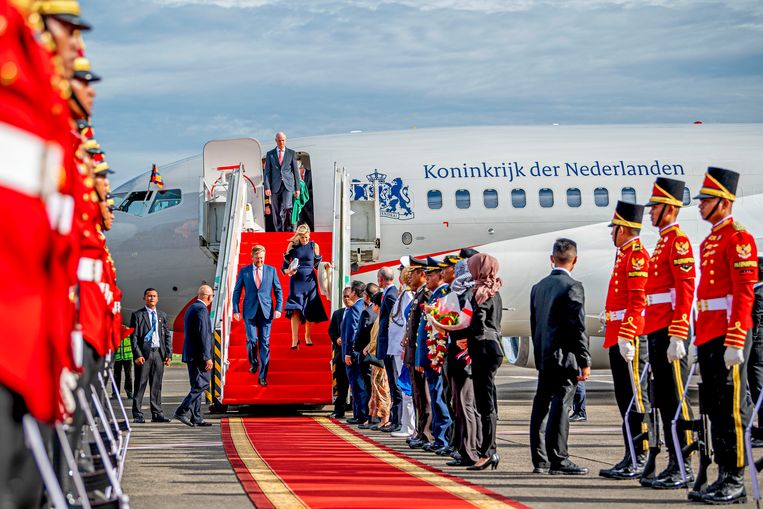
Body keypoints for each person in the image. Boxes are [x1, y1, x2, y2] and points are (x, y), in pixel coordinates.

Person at [691, 167, 757, 504]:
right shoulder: (711, 240)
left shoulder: (738, 238)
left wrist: (735, 338)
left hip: (728, 335)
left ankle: (735, 479)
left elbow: (744, 293)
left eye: (706, 200)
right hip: (710, 334)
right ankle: (721, 474)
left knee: (733, 409)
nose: (700, 205)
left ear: (724, 202)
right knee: (715, 407)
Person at [641, 177, 696, 489]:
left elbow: (684, 291)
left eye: (655, 208)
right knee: (663, 398)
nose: (650, 213)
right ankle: (673, 461)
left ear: (670, 209)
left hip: (669, 330)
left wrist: (678, 333)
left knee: (677, 399)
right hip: (656, 328)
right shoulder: (662, 242)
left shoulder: (678, 242)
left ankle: (683, 462)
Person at [599, 201, 653, 480]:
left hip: (629, 336)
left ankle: (640, 455)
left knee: (636, 398)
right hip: (618, 334)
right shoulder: (623, 255)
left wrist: (627, 334)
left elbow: (638, 301)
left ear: (623, 229)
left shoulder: (637, 256)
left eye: (614, 229)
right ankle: (631, 453)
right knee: (625, 398)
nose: (611, 234)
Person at [529, 238, 591, 475]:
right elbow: (578, 327)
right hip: (565, 358)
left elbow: (535, 325)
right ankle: (559, 459)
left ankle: (540, 460)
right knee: (561, 407)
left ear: (551, 258)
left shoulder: (539, 287)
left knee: (541, 406)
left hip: (545, 357)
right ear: (574, 260)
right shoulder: (573, 287)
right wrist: (584, 360)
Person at [465, 253, 504, 471]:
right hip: (492, 347)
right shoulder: (494, 289)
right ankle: (488, 449)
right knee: (487, 401)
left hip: (483, 349)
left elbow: (478, 322)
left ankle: (488, 452)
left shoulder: (482, 292)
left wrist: (464, 334)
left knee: (485, 402)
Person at [443, 255, 481, 467]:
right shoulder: (458, 293)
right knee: (459, 406)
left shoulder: (473, 294)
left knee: (466, 407)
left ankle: (470, 451)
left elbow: (477, 324)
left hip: (465, 358)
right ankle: (462, 449)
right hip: (456, 355)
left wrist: (467, 340)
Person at [416, 257, 453, 454]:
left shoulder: (444, 294)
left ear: (440, 275)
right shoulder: (434, 295)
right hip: (431, 355)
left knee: (439, 397)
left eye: (430, 275)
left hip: (437, 355)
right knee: (436, 396)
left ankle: (443, 437)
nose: (427, 278)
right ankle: (439, 437)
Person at [232, 244, 283, 386]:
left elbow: (278, 290)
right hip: (250, 311)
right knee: (252, 340)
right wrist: (236, 309)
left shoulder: (271, 271)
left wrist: (278, 308)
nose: (260, 260)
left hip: (266, 312)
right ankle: (253, 361)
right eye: (257, 258)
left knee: (265, 343)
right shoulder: (245, 271)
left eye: (262, 258)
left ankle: (262, 375)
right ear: (252, 257)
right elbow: (237, 291)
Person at [175, 285, 215, 427]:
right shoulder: (202, 310)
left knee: (196, 385)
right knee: (202, 383)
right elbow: (203, 334)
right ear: (208, 297)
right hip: (199, 355)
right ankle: (182, 410)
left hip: (191, 354)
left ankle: (196, 417)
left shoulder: (192, 308)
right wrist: (207, 357)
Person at [282, 224, 328, 348]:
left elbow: (317, 265)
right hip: (296, 282)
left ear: (309, 235)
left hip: (310, 281)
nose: (305, 240)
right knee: (295, 310)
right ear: (298, 236)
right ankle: (294, 339)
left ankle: (307, 335)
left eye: (307, 237)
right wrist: (289, 271)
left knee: (310, 309)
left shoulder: (314, 246)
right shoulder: (292, 246)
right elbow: (284, 269)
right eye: (302, 238)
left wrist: (325, 266)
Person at [130, 288, 173, 423]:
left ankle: (157, 413)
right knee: (140, 384)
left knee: (156, 385)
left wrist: (168, 354)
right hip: (144, 355)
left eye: (154, 296)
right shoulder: (137, 315)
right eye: (149, 296)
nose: (152, 298)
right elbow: (134, 337)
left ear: (157, 298)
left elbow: (166, 335)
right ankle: (138, 414)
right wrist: (137, 354)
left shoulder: (161, 315)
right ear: (144, 298)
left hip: (158, 354)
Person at [404, 257, 434, 449]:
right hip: (413, 352)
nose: (410, 276)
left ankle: (428, 434)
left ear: (422, 274)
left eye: (413, 273)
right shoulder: (418, 295)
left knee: (424, 395)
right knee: (417, 395)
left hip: (419, 353)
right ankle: (422, 431)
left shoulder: (426, 295)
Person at [389, 267, 416, 438]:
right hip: (398, 347)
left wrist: (405, 345)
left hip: (401, 348)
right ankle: (406, 424)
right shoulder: (403, 295)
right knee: (403, 386)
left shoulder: (407, 296)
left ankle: (409, 426)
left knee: (406, 388)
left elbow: (407, 323)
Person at [376, 267, 401, 432]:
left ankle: (397, 420)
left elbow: (395, 318)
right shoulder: (388, 293)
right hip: (387, 343)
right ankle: (395, 419)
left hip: (390, 343)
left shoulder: (391, 294)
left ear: (380, 279)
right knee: (392, 382)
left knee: (395, 382)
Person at [264, 131, 301, 232]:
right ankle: (278, 230)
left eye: (283, 140)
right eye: (279, 140)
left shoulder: (291, 153)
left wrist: (297, 188)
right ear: (276, 141)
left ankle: (288, 230)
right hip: (275, 186)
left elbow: (296, 172)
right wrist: (267, 187)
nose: (281, 142)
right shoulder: (270, 154)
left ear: (285, 140)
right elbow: (267, 172)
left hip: (288, 186)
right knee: (276, 210)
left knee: (287, 207)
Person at [342, 281, 368, 424]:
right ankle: (358, 414)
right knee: (355, 384)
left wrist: (348, 352)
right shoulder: (357, 307)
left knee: (357, 384)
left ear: (354, 292)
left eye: (350, 291)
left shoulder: (356, 308)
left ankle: (361, 415)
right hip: (353, 352)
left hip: (352, 353)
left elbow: (353, 332)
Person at [365, 291, 391, 429]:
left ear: (376, 305)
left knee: (382, 388)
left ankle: (385, 418)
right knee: (377, 388)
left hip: (379, 358)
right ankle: (380, 418)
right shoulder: (378, 318)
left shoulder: (381, 319)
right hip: (374, 356)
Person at [355, 284, 380, 428]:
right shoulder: (376, 311)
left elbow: (361, 334)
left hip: (366, 354)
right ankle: (372, 417)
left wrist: (356, 348)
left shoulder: (367, 312)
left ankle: (372, 417)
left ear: (366, 296)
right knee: (373, 386)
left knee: (369, 387)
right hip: (373, 353)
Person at [328, 287, 352, 418]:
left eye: (349, 296)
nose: (347, 299)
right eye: (345, 297)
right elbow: (331, 330)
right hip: (340, 353)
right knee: (341, 384)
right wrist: (336, 338)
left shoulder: (357, 312)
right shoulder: (338, 313)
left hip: (352, 354)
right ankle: (339, 410)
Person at [750, 257, 763, 447]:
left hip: (757, 347)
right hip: (757, 346)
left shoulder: (759, 292)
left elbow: (756, 322)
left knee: (759, 388)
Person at [113, 332, 134, 399]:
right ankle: (115, 393)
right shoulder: (115, 328)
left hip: (127, 355)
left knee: (128, 375)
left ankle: (129, 392)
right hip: (117, 355)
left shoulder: (128, 328)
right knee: (116, 375)